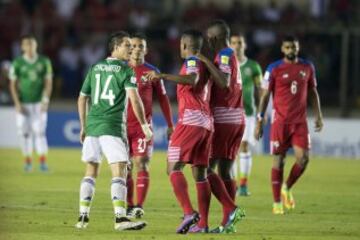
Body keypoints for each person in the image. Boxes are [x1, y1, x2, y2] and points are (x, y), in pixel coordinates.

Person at [75, 31, 152, 231]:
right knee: (119, 171)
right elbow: (135, 99)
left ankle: (82, 216)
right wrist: (144, 125)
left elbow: (82, 98)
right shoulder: (126, 70)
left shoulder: (94, 67)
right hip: (112, 126)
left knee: (91, 171)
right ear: (116, 47)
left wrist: (83, 125)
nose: (132, 49)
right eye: (127, 45)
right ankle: (120, 219)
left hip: (92, 127)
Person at [146, 29, 213, 234]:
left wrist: (162, 75)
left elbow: (191, 80)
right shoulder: (205, 63)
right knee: (200, 174)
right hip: (206, 122)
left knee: (172, 167)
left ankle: (188, 213)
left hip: (190, 120)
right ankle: (202, 225)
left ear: (184, 45)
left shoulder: (192, 61)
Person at [255, 35, 323, 214]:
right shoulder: (273, 68)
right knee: (279, 160)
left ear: (298, 47)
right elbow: (265, 96)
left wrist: (319, 115)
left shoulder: (307, 67)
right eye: (288, 47)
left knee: (304, 159)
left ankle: (287, 187)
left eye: (294, 47)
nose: (291, 50)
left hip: (300, 122)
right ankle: (277, 202)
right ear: (282, 49)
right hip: (280, 122)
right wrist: (260, 120)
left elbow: (313, 92)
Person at [199, 20, 245, 233]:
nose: (207, 41)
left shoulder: (224, 55)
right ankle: (229, 222)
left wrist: (205, 62)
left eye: (208, 37)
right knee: (225, 171)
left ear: (214, 38)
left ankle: (231, 208)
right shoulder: (230, 54)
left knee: (205, 168)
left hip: (224, 118)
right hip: (237, 117)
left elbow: (224, 82)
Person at [126, 33, 174, 218]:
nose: (137, 49)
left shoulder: (152, 72)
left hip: (143, 127)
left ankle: (139, 205)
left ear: (146, 50)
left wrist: (170, 124)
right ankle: (129, 205)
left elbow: (163, 99)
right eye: (134, 45)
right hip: (122, 127)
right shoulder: (121, 70)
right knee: (126, 167)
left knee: (142, 163)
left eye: (140, 46)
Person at [9, 34, 52, 172]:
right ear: (22, 47)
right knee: (24, 132)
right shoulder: (17, 63)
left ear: (36, 45)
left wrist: (45, 100)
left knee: (40, 132)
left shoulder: (44, 61)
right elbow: (12, 84)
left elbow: (48, 82)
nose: (30, 47)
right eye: (27, 45)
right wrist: (16, 103)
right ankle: (27, 161)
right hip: (23, 103)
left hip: (39, 103)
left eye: (32, 44)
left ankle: (42, 162)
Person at [230, 33, 263, 196]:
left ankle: (243, 185)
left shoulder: (253, 66)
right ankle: (233, 185)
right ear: (229, 45)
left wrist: (260, 115)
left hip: (248, 113)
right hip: (229, 113)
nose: (237, 46)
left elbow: (260, 91)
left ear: (245, 45)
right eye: (234, 43)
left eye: (240, 43)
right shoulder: (225, 66)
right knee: (230, 150)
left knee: (243, 146)